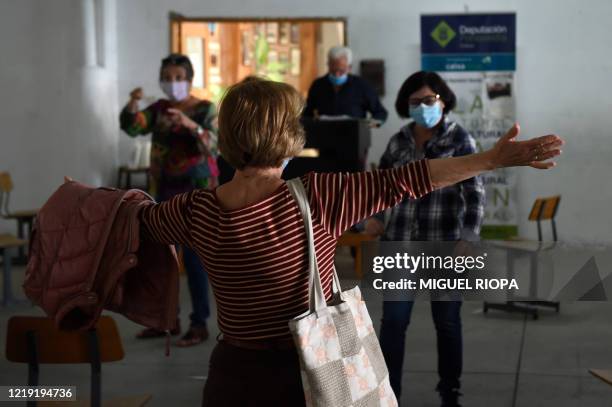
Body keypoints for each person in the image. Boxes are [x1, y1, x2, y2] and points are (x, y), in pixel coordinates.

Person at [135, 77, 562, 406]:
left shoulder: (194, 209)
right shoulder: (317, 196)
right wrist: (490, 160)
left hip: (232, 377)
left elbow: (135, 221)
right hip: (307, 374)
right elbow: (412, 179)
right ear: (288, 134)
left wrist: (81, 201)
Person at [365, 71, 486, 406]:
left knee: (446, 322)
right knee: (393, 323)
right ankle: (390, 394)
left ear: (443, 101)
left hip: (445, 244)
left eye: (428, 100)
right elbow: (379, 186)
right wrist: (374, 217)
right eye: (414, 102)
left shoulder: (460, 140)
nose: (422, 107)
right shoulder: (398, 140)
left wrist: (469, 235)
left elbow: (475, 192)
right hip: (400, 243)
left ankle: (450, 392)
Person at [120, 53, 217, 347]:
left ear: (189, 80)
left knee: (195, 259)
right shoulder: (159, 109)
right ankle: (166, 321)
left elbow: (215, 145)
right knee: (162, 258)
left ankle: (198, 323)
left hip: (197, 191)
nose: (172, 83)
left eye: (178, 78)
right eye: (167, 78)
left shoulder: (204, 108)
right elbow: (133, 126)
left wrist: (190, 124)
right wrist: (133, 102)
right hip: (163, 190)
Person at [303, 46, 388, 125]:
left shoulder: (362, 86)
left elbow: (380, 113)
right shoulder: (318, 85)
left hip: (355, 137)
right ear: (328, 65)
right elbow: (307, 113)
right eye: (333, 70)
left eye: (341, 71)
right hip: (325, 136)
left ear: (349, 68)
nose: (337, 74)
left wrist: (370, 124)